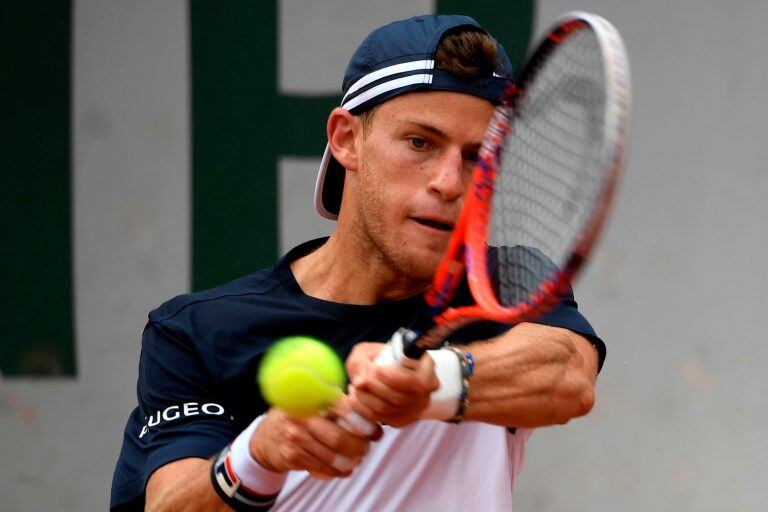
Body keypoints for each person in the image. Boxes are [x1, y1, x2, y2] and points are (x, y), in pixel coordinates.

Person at [111, 14, 605, 512]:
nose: (450, 182)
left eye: (478, 156)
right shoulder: (199, 331)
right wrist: (257, 456)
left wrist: (433, 382)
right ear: (346, 139)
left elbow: (567, 376)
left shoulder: (501, 285)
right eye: (420, 142)